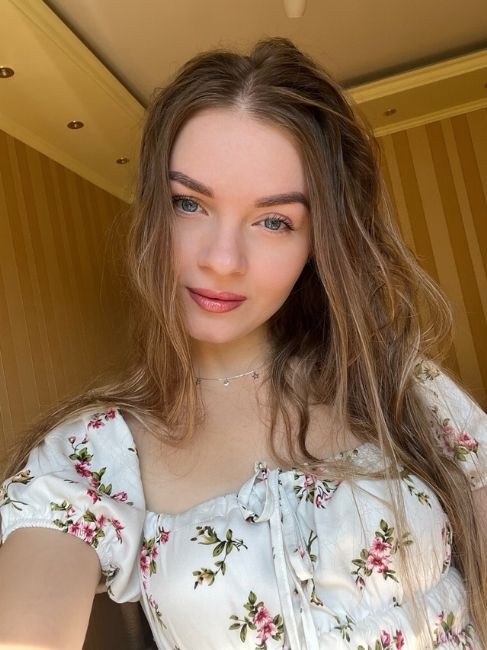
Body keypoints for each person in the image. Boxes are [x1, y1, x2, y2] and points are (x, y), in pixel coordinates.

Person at [0, 36, 486, 650]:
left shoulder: (401, 387)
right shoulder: (92, 453)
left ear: (317, 244)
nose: (223, 260)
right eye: (189, 204)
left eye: (274, 221)